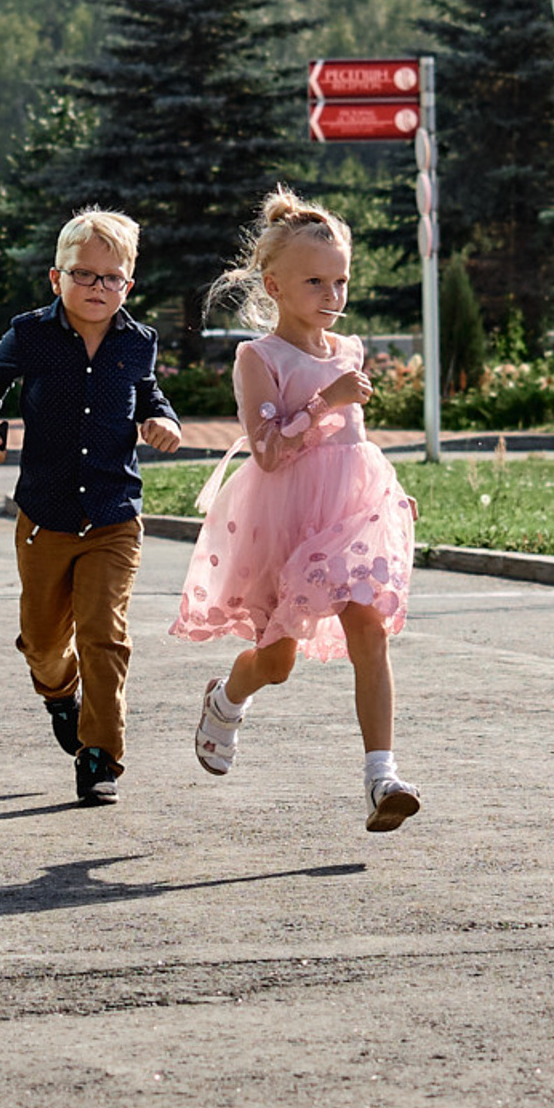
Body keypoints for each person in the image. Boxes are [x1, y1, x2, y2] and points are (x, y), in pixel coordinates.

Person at [171, 189, 422, 831]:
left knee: (370, 631)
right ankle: (227, 701)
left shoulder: (350, 350)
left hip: (350, 520)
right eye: (316, 281)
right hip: (283, 520)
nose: (332, 295)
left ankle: (381, 777)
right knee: (276, 665)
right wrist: (324, 402)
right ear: (274, 285)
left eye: (340, 280)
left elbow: (355, 449)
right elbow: (269, 452)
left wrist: (389, 499)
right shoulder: (258, 358)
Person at [0, 207, 183, 807]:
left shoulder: (138, 342)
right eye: (83, 275)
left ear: (128, 285)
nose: (97, 288)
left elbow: (148, 392)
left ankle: (100, 755)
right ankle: (60, 696)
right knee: (41, 641)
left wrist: (161, 417)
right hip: (44, 517)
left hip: (114, 516)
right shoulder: (31, 333)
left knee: (103, 635)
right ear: (56, 277)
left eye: (111, 278)